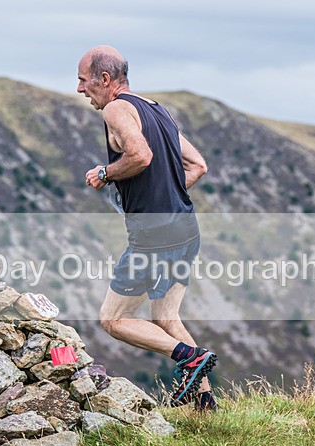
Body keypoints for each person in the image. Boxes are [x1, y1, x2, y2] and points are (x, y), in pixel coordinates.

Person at [78, 45, 218, 410]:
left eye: (82, 80)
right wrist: (165, 192)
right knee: (165, 317)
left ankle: (190, 358)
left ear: (104, 80)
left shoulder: (115, 108)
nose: (79, 89)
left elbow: (140, 155)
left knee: (113, 319)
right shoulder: (157, 110)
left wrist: (105, 173)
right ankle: (205, 401)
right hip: (186, 229)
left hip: (154, 237)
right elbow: (198, 165)